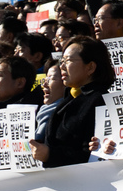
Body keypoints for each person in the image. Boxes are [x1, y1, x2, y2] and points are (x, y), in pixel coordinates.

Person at [31, 36, 112, 170]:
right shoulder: (70, 98)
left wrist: (49, 155)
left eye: (68, 61)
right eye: (62, 61)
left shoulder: (100, 101)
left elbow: (89, 154)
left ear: (90, 67)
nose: (62, 66)